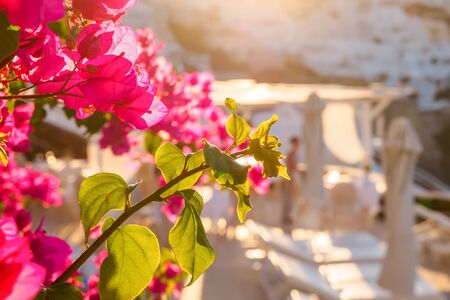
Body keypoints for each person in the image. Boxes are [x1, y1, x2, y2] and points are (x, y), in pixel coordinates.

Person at [281, 137, 300, 228]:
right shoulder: (291, 154)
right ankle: (286, 217)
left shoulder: (292, 153)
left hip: (290, 178)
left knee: (289, 199)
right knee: (288, 199)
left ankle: (287, 217)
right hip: (289, 178)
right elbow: (290, 166)